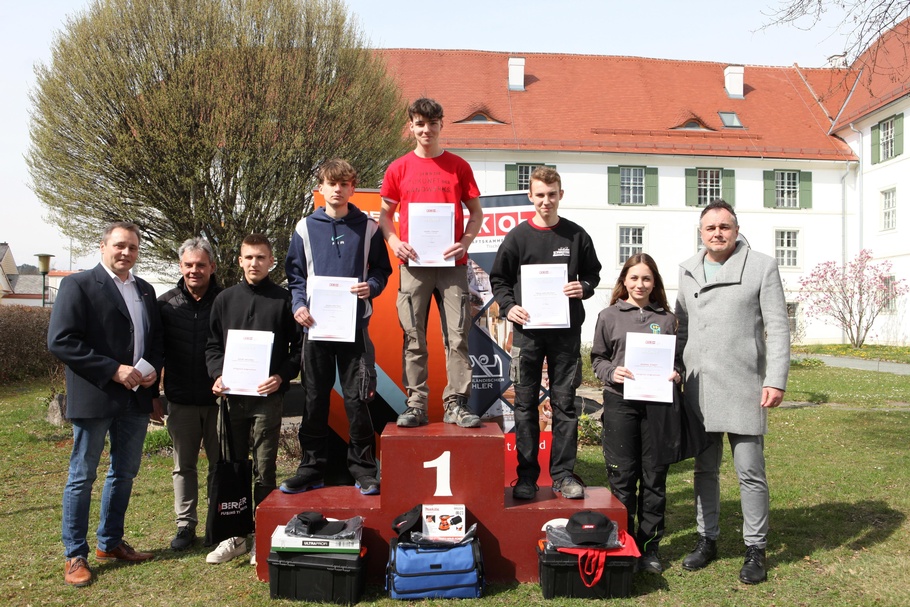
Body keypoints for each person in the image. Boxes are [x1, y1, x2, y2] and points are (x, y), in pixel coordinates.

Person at [675, 199, 790, 585]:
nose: (717, 233)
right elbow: (682, 330)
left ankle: (755, 548)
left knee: (750, 472)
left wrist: (775, 378)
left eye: (725, 227)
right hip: (699, 387)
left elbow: (778, 327)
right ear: (701, 232)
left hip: (745, 386)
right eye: (710, 228)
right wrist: (672, 369)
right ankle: (707, 540)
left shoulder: (762, 266)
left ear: (736, 230)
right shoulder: (688, 270)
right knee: (704, 470)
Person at [47, 221, 164, 587]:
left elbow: (155, 340)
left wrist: (149, 371)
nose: (126, 252)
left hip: (135, 397)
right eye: (119, 245)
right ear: (102, 247)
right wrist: (114, 370)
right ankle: (75, 554)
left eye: (132, 247)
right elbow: (62, 341)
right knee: (82, 475)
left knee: (125, 473)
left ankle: (110, 543)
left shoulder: (145, 290)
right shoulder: (77, 284)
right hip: (96, 394)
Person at [281, 159, 392, 495]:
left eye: (344, 184)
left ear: (352, 187)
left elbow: (381, 272)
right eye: (332, 184)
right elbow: (295, 276)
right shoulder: (304, 228)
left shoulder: (369, 227)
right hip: (315, 328)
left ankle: (363, 470)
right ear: (322, 187)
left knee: (358, 400)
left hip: (354, 327)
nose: (338, 190)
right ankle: (311, 468)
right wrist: (298, 305)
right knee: (314, 400)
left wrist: (370, 287)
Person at [490, 167, 602, 500]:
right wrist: (509, 307)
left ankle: (564, 475)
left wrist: (583, 287)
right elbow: (500, 280)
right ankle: (525, 478)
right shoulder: (517, 237)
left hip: (566, 334)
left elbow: (593, 276)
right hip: (527, 334)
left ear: (560, 196)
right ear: (531, 197)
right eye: (540, 195)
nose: (546, 201)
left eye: (552, 194)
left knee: (565, 404)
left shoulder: (576, 235)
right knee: (524, 404)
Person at [378, 97, 485, 429]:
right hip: (414, 265)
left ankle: (456, 402)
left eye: (432, 123)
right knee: (413, 336)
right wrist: (395, 242)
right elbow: (385, 217)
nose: (426, 129)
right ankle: (416, 404)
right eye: (419, 123)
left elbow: (477, 213)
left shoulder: (458, 166)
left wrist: (464, 242)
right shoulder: (398, 167)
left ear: (441, 125)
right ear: (411, 126)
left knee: (458, 335)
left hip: (452, 265)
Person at [592, 253, 700, 574]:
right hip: (619, 405)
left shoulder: (667, 320)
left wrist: (677, 373)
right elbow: (597, 359)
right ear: (624, 280)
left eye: (647, 279)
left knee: (654, 479)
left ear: (655, 283)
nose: (640, 284)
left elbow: (678, 360)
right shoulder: (608, 315)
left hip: (657, 407)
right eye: (634, 278)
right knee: (623, 479)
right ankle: (624, 545)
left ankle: (650, 547)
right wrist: (612, 372)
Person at [205, 234, 302, 565]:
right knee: (233, 469)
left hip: (266, 399)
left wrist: (282, 376)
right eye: (248, 257)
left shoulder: (285, 301)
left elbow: (299, 350)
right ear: (240, 260)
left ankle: (264, 534)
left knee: (264, 468)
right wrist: (217, 375)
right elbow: (213, 346)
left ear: (271, 261)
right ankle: (234, 536)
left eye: (261, 257)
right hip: (232, 399)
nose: (254, 263)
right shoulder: (224, 300)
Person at [154, 238, 222, 551]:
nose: (195, 270)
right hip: (180, 399)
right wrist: (153, 394)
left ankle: (217, 522)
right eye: (189, 265)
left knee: (220, 465)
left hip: (221, 401)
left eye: (201, 265)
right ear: (181, 267)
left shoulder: (226, 301)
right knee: (184, 466)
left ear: (212, 267)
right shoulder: (165, 304)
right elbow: (155, 353)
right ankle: (185, 525)